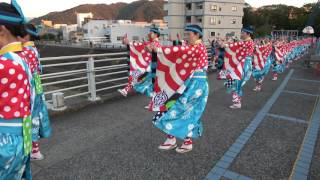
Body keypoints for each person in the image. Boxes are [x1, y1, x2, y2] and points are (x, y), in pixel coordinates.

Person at [149, 24, 209, 153]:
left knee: (182, 111)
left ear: (197, 35)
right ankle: (174, 140)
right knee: (175, 109)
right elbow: (179, 52)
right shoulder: (192, 47)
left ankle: (182, 141)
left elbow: (180, 51)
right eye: (186, 34)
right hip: (188, 83)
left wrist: (159, 49)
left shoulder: (199, 48)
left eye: (189, 34)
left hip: (196, 85)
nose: (187, 36)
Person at [0, 1, 33, 179]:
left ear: (2, 30)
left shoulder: (3, 64)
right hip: (22, 134)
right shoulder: (22, 59)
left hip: (5, 141)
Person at [19, 23, 51, 161]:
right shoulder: (33, 49)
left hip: (29, 87)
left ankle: (30, 151)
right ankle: (34, 150)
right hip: (36, 86)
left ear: (26, 35)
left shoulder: (24, 51)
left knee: (28, 118)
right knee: (35, 118)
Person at [118, 26, 161, 98]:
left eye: (152, 33)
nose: (150, 34)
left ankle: (155, 102)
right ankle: (126, 90)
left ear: (156, 35)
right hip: (145, 67)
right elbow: (138, 45)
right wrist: (128, 43)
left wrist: (148, 48)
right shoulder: (149, 42)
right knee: (140, 81)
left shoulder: (156, 44)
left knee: (148, 86)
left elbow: (154, 53)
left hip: (149, 68)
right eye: (150, 32)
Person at [218, 26, 255, 109]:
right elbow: (236, 45)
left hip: (243, 64)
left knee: (235, 83)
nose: (241, 34)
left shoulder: (248, 42)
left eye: (243, 32)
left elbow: (236, 46)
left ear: (248, 34)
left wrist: (225, 45)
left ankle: (237, 102)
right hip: (241, 63)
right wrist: (226, 44)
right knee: (233, 83)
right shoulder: (245, 42)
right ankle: (237, 100)